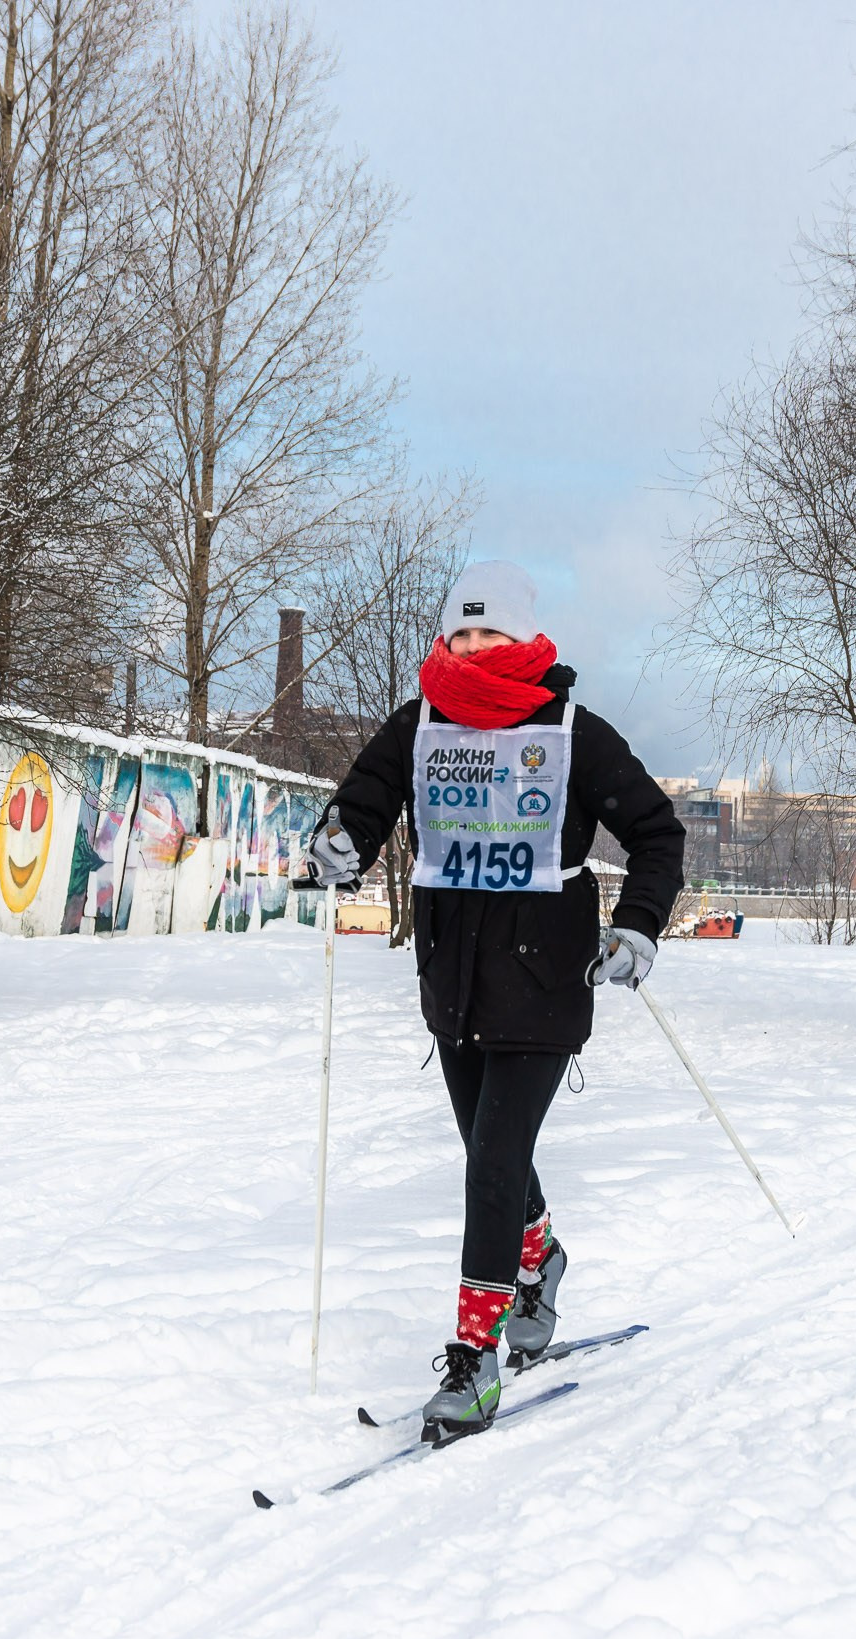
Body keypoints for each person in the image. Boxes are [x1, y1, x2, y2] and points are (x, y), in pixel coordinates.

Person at [302, 560, 684, 1442]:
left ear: (523, 639)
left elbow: (656, 831)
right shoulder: (420, 724)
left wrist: (638, 925)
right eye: (462, 633)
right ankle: (538, 1260)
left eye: (491, 633)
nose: (474, 647)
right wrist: (338, 843)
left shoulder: (572, 731)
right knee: (491, 1152)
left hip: (547, 982)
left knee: (493, 1163)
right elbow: (362, 805)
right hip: (453, 982)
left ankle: (474, 1360)